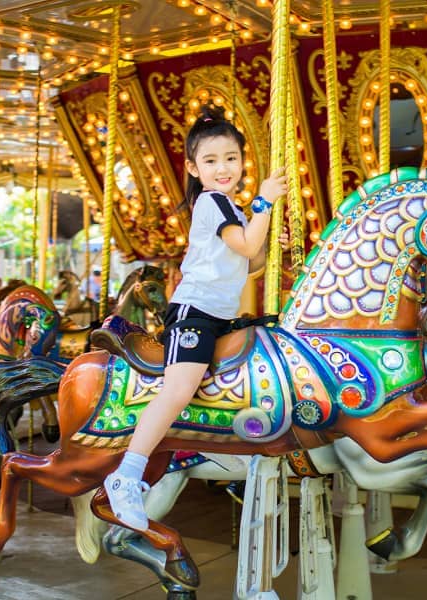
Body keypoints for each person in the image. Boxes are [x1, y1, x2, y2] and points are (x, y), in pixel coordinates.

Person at [103, 105, 288, 531]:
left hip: (220, 316)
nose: (223, 168)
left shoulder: (232, 207)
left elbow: (250, 262)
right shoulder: (212, 203)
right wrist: (264, 202)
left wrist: (267, 236)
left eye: (230, 158)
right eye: (210, 160)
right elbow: (243, 247)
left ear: (242, 159)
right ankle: (127, 475)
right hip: (195, 314)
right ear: (193, 167)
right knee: (179, 389)